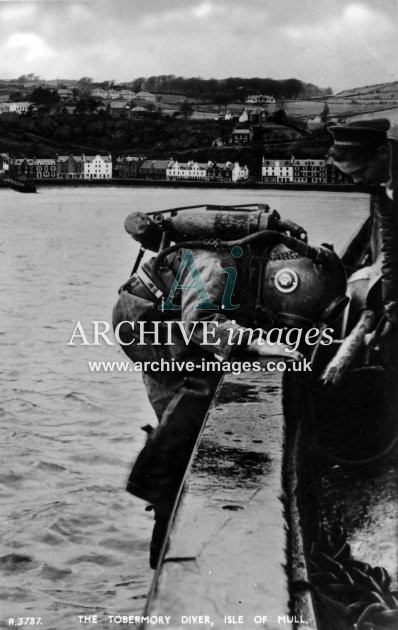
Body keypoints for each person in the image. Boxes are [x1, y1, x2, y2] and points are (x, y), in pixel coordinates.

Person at [112, 222, 346, 567]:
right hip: (143, 321)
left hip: (173, 312)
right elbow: (199, 323)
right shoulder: (217, 267)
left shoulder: (253, 262)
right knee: (197, 387)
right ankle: (158, 487)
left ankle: (168, 478)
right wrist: (253, 341)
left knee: (201, 386)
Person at [328, 119, 398, 335]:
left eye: (361, 171)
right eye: (351, 175)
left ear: (382, 153)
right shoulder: (380, 184)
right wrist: (391, 306)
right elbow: (390, 245)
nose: (358, 181)